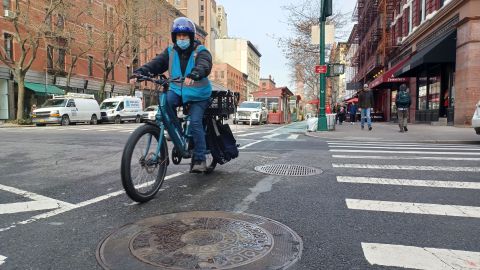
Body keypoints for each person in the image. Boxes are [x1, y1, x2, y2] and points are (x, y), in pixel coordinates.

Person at [131, 17, 213, 172]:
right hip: (177, 91)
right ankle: (178, 134)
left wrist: (195, 73)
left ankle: (200, 158)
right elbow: (155, 64)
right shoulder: (170, 51)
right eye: (178, 36)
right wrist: (139, 73)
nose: (181, 38)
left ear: (191, 36)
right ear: (174, 37)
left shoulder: (200, 51)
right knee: (166, 104)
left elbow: (205, 64)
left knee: (195, 122)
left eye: (185, 35)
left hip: (198, 94)